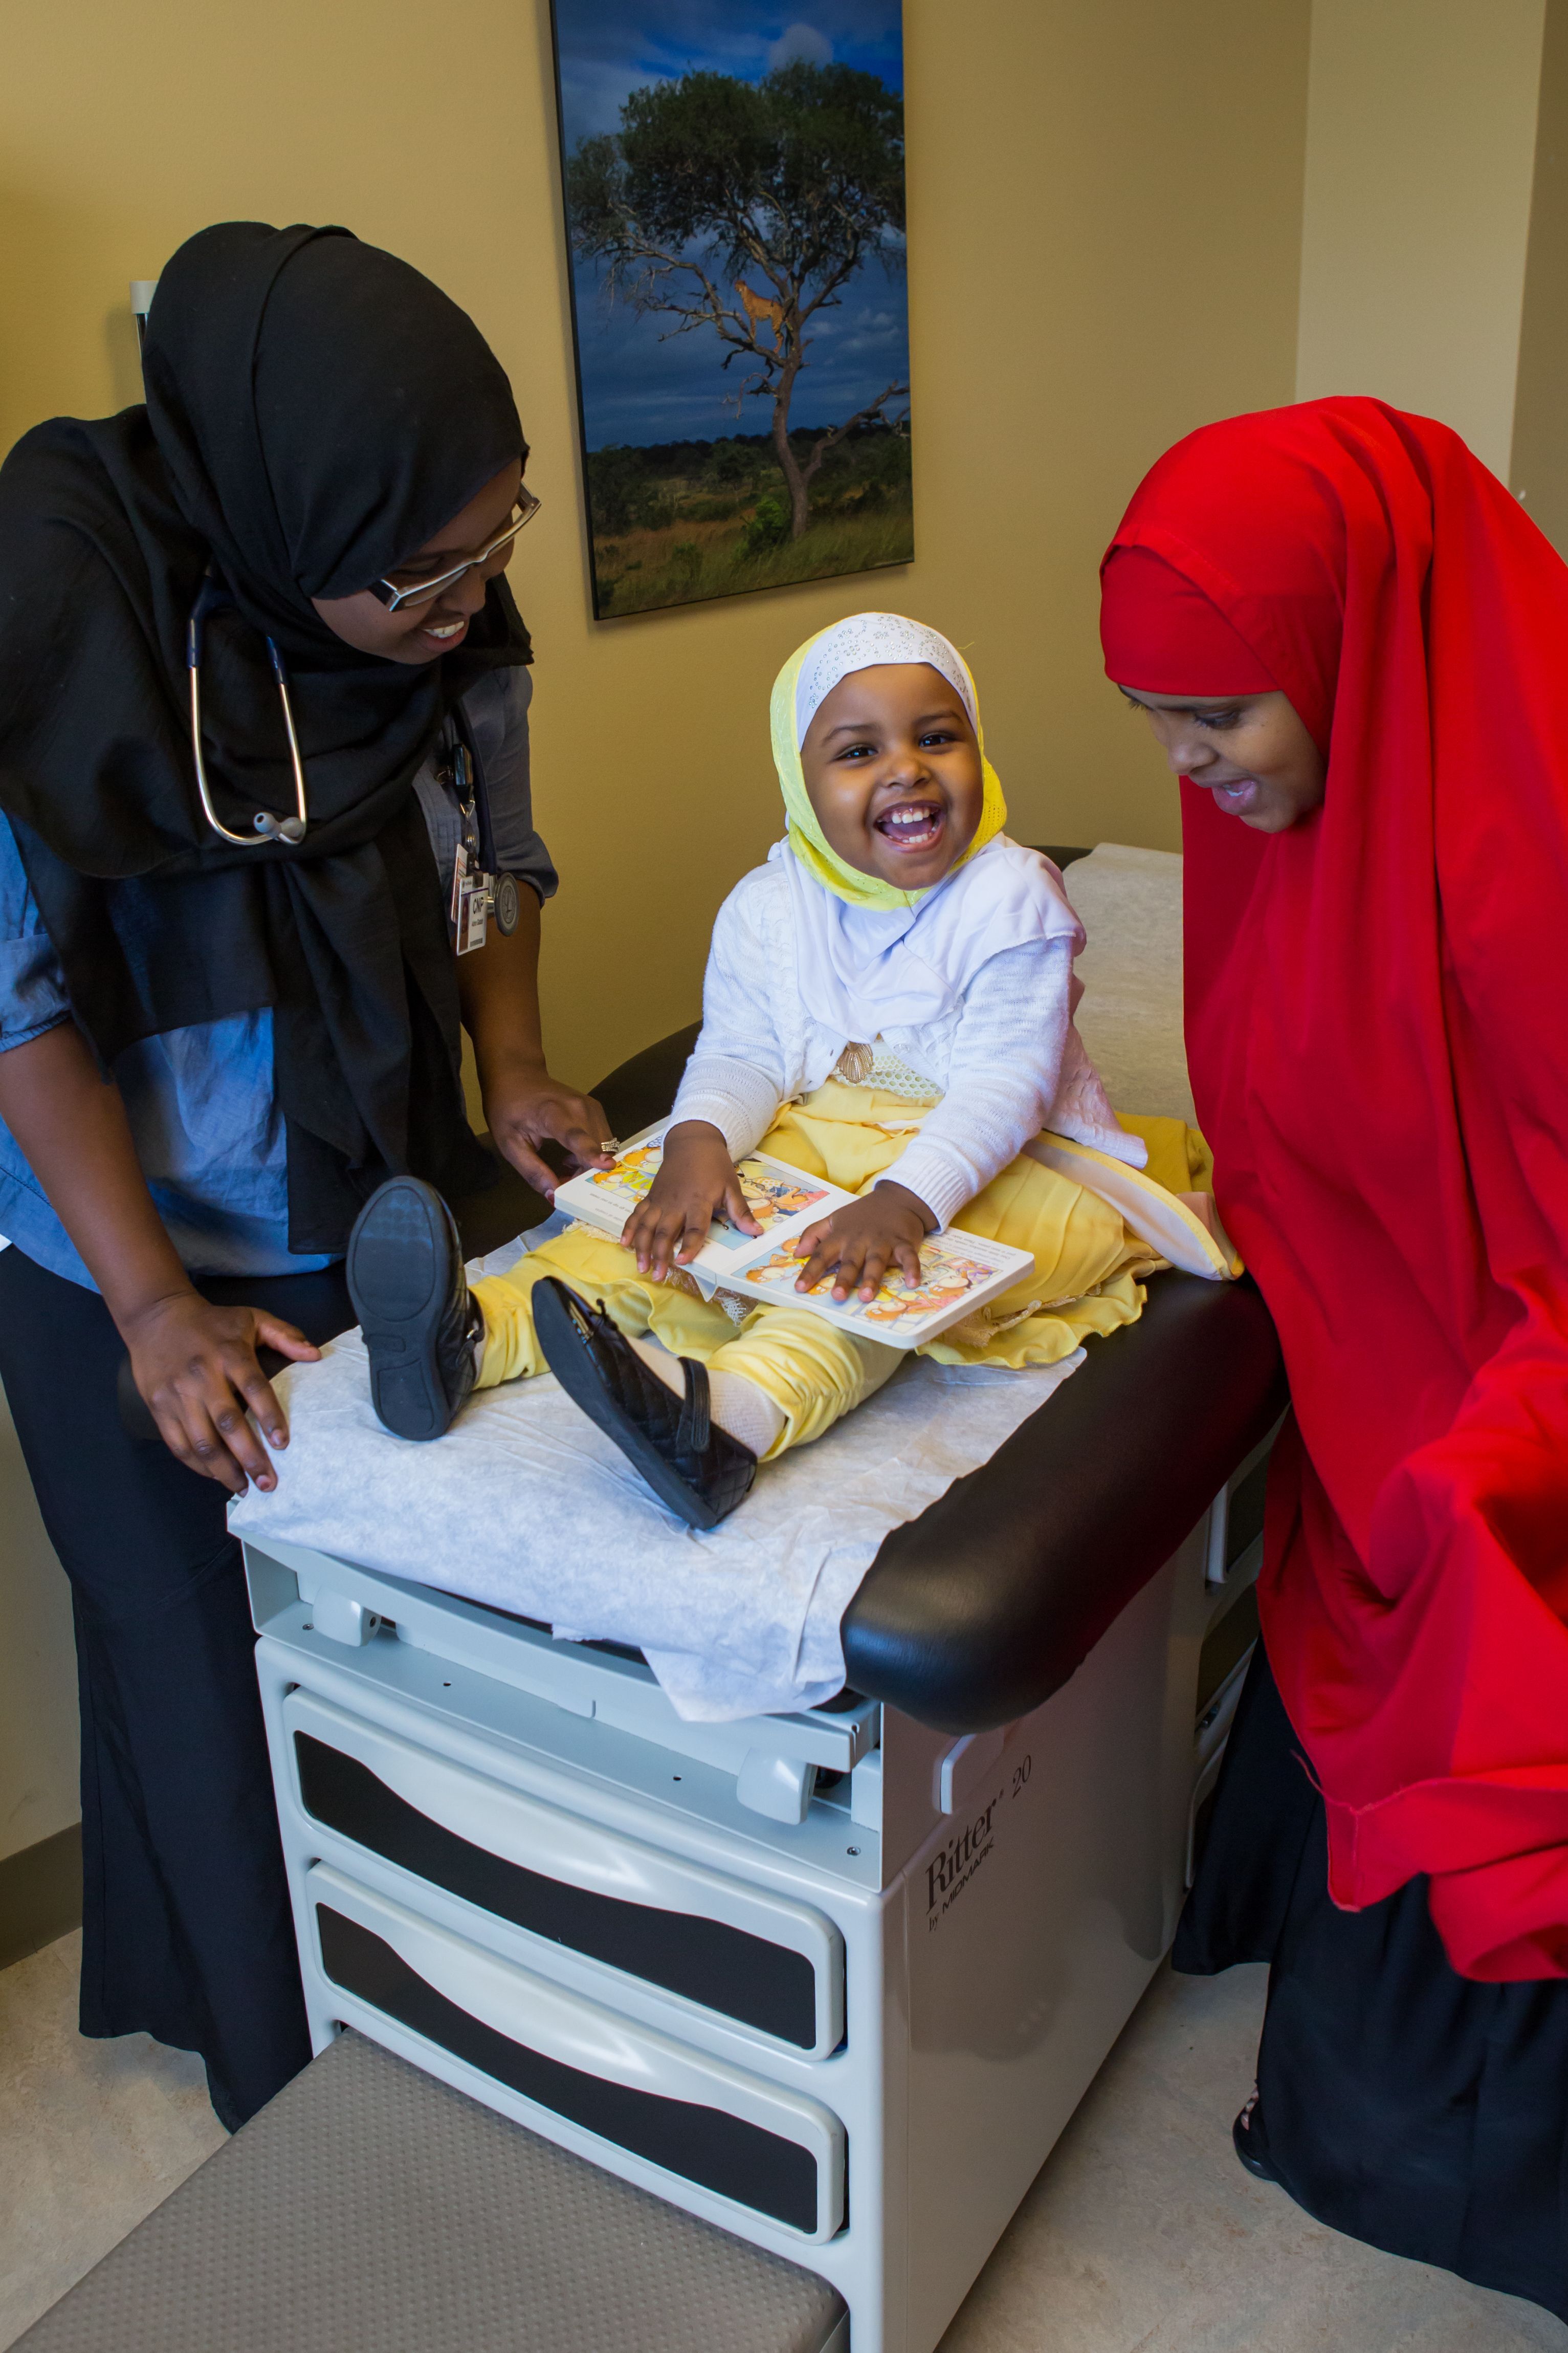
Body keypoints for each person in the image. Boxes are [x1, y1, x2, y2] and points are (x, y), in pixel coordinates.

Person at [0, 222, 611, 2127]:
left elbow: (489, 855)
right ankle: (289, 2091)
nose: (470, 599)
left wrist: (508, 1063)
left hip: (363, 1187)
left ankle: (444, 2015)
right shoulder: (57, 629)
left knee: (381, 1630)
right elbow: (20, 1009)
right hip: (117, 1247)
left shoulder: (445, 614)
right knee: (186, 1647)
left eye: (497, 543)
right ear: (288, 515)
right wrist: (157, 1308)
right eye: (426, 573)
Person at [1100, 394, 1568, 2322]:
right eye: (1152, 724)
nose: (1186, 763)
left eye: (1219, 712)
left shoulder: (1524, 849)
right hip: (1370, 1392)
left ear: (1349, 649)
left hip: (1506, 1427)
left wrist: (1500, 1445)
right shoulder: (1283, 820)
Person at [346, 612, 1230, 1527]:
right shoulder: (768, 905)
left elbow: (1004, 1086)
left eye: (938, 737)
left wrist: (903, 1202)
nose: (906, 768)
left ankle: (724, 1423)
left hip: (1005, 1158)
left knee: (862, 1283)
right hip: (829, 1131)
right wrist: (694, 1144)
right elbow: (744, 1051)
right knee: (656, 1230)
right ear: (800, 784)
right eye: (857, 752)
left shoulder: (1012, 898)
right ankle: (470, 1336)